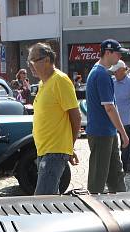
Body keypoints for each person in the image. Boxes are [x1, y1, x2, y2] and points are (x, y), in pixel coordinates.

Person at [28, 42, 81, 195]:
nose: (30, 65)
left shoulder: (60, 80)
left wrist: (69, 147)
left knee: (43, 201)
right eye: (29, 61)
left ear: (46, 60)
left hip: (55, 151)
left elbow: (75, 117)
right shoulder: (43, 83)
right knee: (51, 201)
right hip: (44, 149)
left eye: (33, 60)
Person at [85, 39, 130, 194]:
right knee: (99, 178)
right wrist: (123, 133)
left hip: (105, 131)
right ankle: (94, 209)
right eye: (117, 53)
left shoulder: (98, 72)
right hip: (101, 132)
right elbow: (110, 108)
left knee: (115, 173)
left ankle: (121, 203)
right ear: (108, 52)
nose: (119, 57)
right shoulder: (102, 74)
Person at [111, 60, 130, 173]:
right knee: (114, 146)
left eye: (116, 72)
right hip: (113, 120)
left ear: (123, 70)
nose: (114, 74)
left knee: (127, 146)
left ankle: (128, 167)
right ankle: (116, 167)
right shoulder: (112, 82)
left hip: (127, 121)